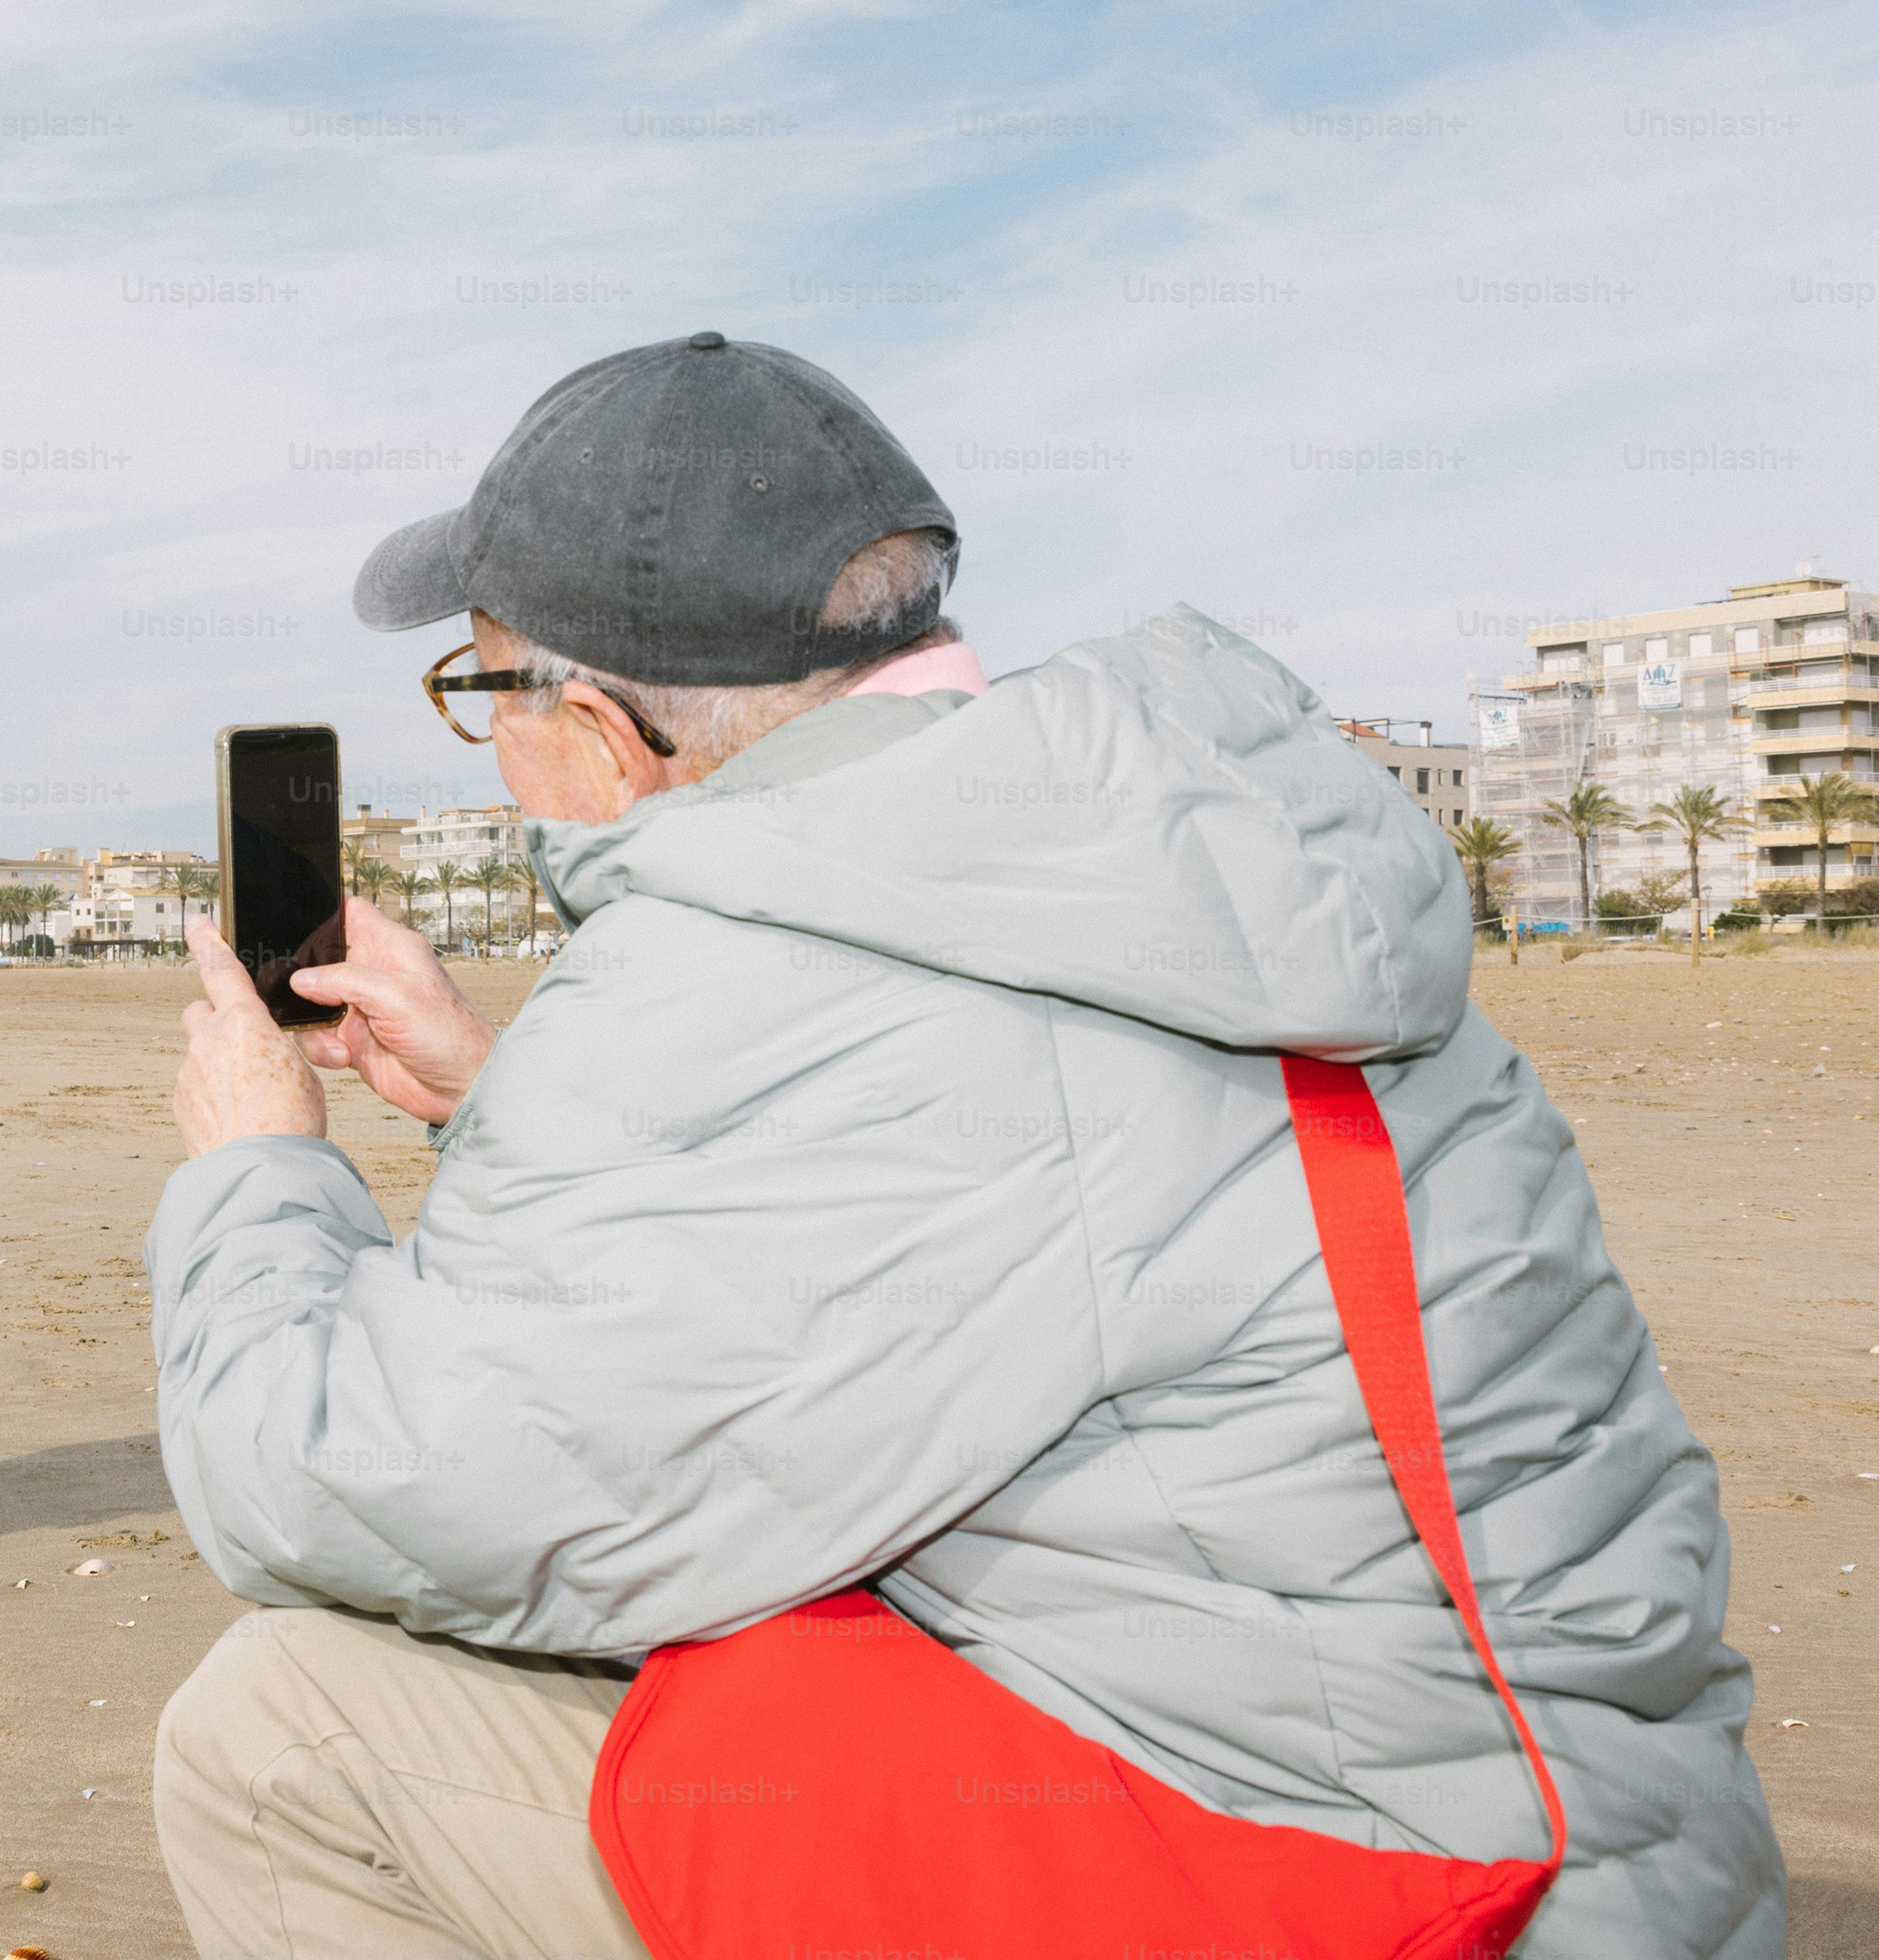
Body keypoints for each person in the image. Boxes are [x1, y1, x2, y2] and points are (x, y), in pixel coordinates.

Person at [146, 332, 1785, 1956]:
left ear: (596, 726)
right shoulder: (1130, 862)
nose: (489, 749)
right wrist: (490, 1087)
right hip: (1590, 1821)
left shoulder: (771, 973)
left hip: (1363, 1885)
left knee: (283, 1733)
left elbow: (335, 1478)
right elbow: (984, 1209)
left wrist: (256, 1168)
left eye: (476, 688)